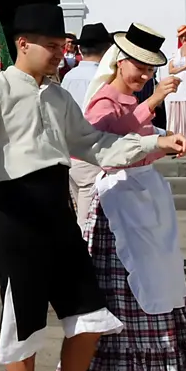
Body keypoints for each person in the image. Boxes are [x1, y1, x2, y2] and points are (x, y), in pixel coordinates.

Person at [0, 4, 186, 371]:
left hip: (59, 214)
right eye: (52, 46)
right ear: (23, 43)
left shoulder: (59, 97)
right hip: (16, 214)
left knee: (90, 314)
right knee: (23, 324)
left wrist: (156, 143)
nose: (59, 53)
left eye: (62, 46)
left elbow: (94, 145)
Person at [53, 23, 186, 371]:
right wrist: (154, 130)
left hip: (140, 202)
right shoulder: (103, 100)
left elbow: (132, 133)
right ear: (119, 62)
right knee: (124, 298)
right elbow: (103, 145)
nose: (143, 74)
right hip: (118, 208)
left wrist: (158, 132)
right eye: (138, 67)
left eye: (148, 69)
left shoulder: (124, 97)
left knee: (147, 292)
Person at [63, 23, 114, 222]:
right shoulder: (104, 78)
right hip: (92, 150)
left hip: (70, 151)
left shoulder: (69, 76)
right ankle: (83, 251)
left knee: (79, 208)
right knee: (87, 217)